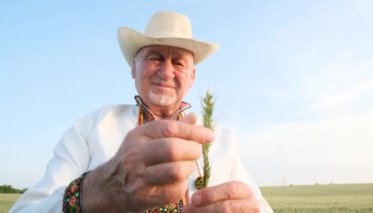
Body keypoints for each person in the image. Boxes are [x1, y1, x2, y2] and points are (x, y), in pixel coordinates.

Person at [10, 11, 273, 213]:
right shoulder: (90, 128)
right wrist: (96, 191)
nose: (166, 71)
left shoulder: (221, 139)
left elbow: (260, 207)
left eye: (178, 63)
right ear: (133, 68)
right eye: (155, 57)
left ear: (192, 77)